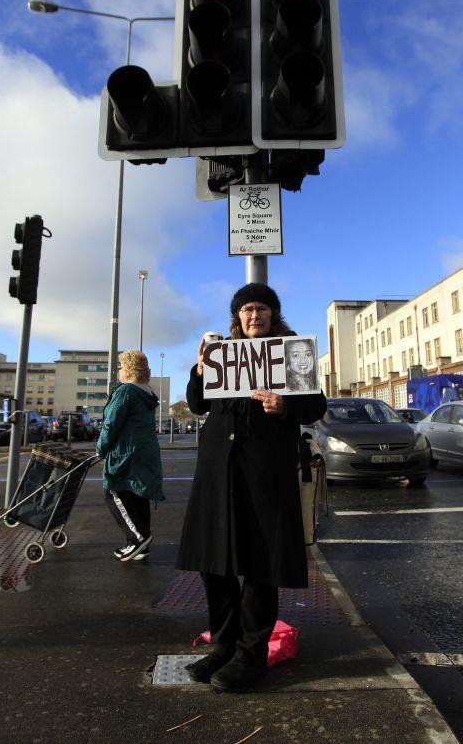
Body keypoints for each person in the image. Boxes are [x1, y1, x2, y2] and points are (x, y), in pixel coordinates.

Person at [177, 284, 327, 693]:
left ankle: (252, 655)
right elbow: (196, 404)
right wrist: (199, 371)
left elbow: (316, 407)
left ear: (273, 314)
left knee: (260, 566)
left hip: (265, 474)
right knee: (215, 563)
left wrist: (285, 407)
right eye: (246, 310)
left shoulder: (291, 354)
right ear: (237, 318)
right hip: (217, 473)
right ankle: (223, 645)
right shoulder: (222, 352)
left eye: (261, 308)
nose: (253, 315)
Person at [97, 350, 165, 562]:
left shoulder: (125, 391)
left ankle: (138, 539)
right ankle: (138, 544)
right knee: (137, 495)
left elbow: (111, 423)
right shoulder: (146, 392)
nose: (118, 371)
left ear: (128, 369)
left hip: (126, 455)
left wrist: (101, 448)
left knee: (113, 492)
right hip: (144, 452)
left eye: (120, 367)